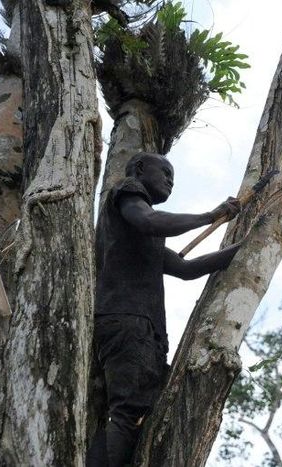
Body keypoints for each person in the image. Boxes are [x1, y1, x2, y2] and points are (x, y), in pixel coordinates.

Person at [87, 152, 241, 466]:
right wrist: (207, 216)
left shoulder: (144, 236)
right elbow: (150, 220)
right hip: (129, 320)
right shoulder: (128, 195)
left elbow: (186, 267)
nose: (171, 182)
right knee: (127, 413)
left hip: (137, 327)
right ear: (141, 169)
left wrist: (247, 245)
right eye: (166, 173)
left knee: (133, 413)